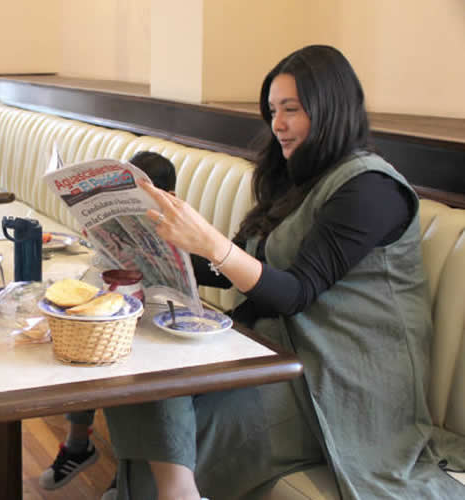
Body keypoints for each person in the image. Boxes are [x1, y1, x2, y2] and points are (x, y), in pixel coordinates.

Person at [103, 45, 465, 499]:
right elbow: (243, 264)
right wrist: (152, 252)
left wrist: (208, 240)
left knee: (185, 433)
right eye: (273, 111)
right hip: (280, 358)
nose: (277, 124)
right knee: (143, 370)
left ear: (330, 107)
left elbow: (294, 292)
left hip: (339, 386)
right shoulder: (301, 179)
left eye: (291, 109)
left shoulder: (371, 189)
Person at [39, 151, 177, 493]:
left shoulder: (178, 224)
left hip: (159, 316)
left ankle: (126, 473)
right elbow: (99, 263)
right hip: (113, 304)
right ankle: (77, 443)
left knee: (127, 368)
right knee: (84, 345)